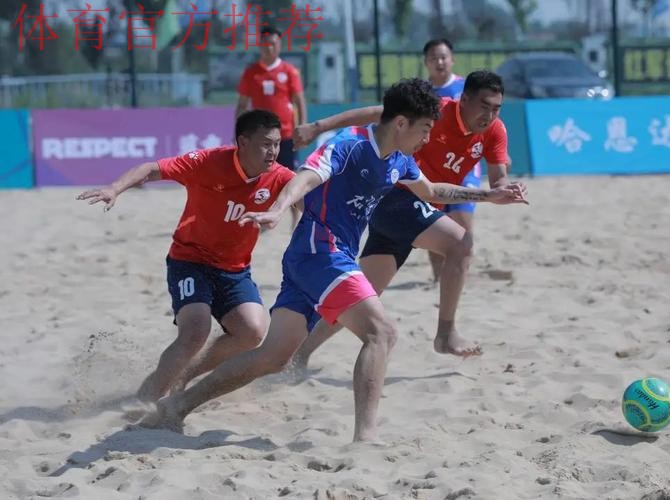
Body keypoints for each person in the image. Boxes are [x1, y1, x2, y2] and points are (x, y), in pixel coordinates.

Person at [139, 79, 527, 442]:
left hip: (316, 258)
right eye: (425, 129)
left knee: (272, 357)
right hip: (320, 251)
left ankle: (177, 405)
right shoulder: (349, 144)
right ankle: (366, 439)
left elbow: (430, 190)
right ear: (401, 123)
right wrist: (278, 209)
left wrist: (488, 196)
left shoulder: (400, 159)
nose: (428, 138)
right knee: (381, 333)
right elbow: (307, 176)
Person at [290, 70, 515, 373]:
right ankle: (446, 333)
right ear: (464, 100)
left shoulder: (495, 130)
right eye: (484, 106)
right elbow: (378, 114)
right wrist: (318, 126)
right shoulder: (436, 110)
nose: (489, 115)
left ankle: (298, 355)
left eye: (496, 108)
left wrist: (503, 190)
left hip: (412, 203)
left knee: (359, 296)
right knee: (461, 243)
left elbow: (496, 179)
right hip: (395, 195)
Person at [77, 110, 295, 404]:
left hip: (234, 270)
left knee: (252, 332)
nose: (273, 152)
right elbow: (151, 169)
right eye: (266, 144)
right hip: (191, 260)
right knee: (195, 331)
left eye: (277, 144)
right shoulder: (209, 162)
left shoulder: (280, 176)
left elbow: (306, 192)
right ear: (243, 142)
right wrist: (114, 188)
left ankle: (185, 374)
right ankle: (145, 401)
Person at [422, 38, 484, 282]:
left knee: (461, 225)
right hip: (431, 168)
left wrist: (499, 154)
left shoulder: (467, 90)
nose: (439, 62)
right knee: (433, 225)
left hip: (464, 166)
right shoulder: (422, 93)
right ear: (426, 62)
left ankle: (460, 275)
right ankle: (439, 277)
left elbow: (488, 123)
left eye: (443, 57)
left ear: (452, 59)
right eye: (434, 58)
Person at [235, 26, 307, 171]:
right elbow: (242, 105)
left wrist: (303, 128)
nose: (269, 48)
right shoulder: (251, 73)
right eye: (265, 44)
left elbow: (299, 102)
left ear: (279, 45)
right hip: (259, 136)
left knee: (287, 176)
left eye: (273, 44)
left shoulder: (289, 71)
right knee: (261, 176)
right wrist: (240, 131)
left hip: (285, 136)